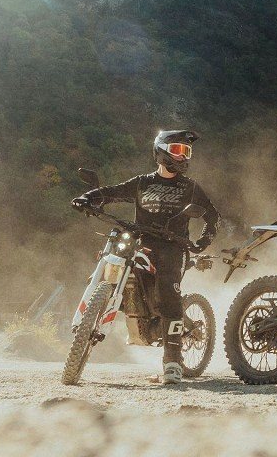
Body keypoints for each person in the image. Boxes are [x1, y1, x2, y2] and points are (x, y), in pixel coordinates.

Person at [72, 129, 219, 385]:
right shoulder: (143, 183)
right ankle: (91, 323)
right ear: (160, 151)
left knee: (168, 295)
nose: (183, 157)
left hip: (173, 248)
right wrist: (88, 198)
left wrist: (201, 243)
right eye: (177, 150)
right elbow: (112, 191)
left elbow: (212, 217)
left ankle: (172, 363)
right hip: (141, 243)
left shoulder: (190, 187)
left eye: (186, 151)